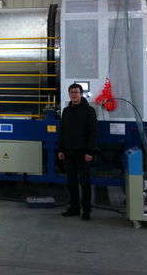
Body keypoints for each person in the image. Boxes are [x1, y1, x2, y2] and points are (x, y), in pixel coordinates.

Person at [57, 83, 97, 221]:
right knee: (71, 181)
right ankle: (74, 208)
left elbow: (93, 132)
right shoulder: (66, 111)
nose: (74, 94)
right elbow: (62, 131)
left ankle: (86, 210)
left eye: (76, 92)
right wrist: (61, 149)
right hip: (68, 151)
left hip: (83, 152)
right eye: (72, 92)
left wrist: (90, 151)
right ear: (69, 94)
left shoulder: (89, 111)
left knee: (85, 182)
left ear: (81, 94)